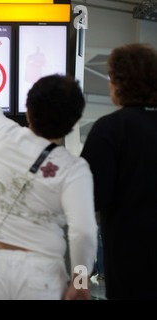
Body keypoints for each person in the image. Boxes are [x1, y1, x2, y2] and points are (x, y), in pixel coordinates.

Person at [0, 74, 97, 300]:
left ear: (28, 109)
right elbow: (84, 232)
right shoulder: (74, 169)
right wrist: (79, 282)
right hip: (41, 276)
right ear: (74, 122)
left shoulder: (2, 134)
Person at [80, 43, 157, 300]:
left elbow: (85, 202)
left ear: (119, 82)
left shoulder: (110, 130)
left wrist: (80, 278)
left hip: (133, 270)